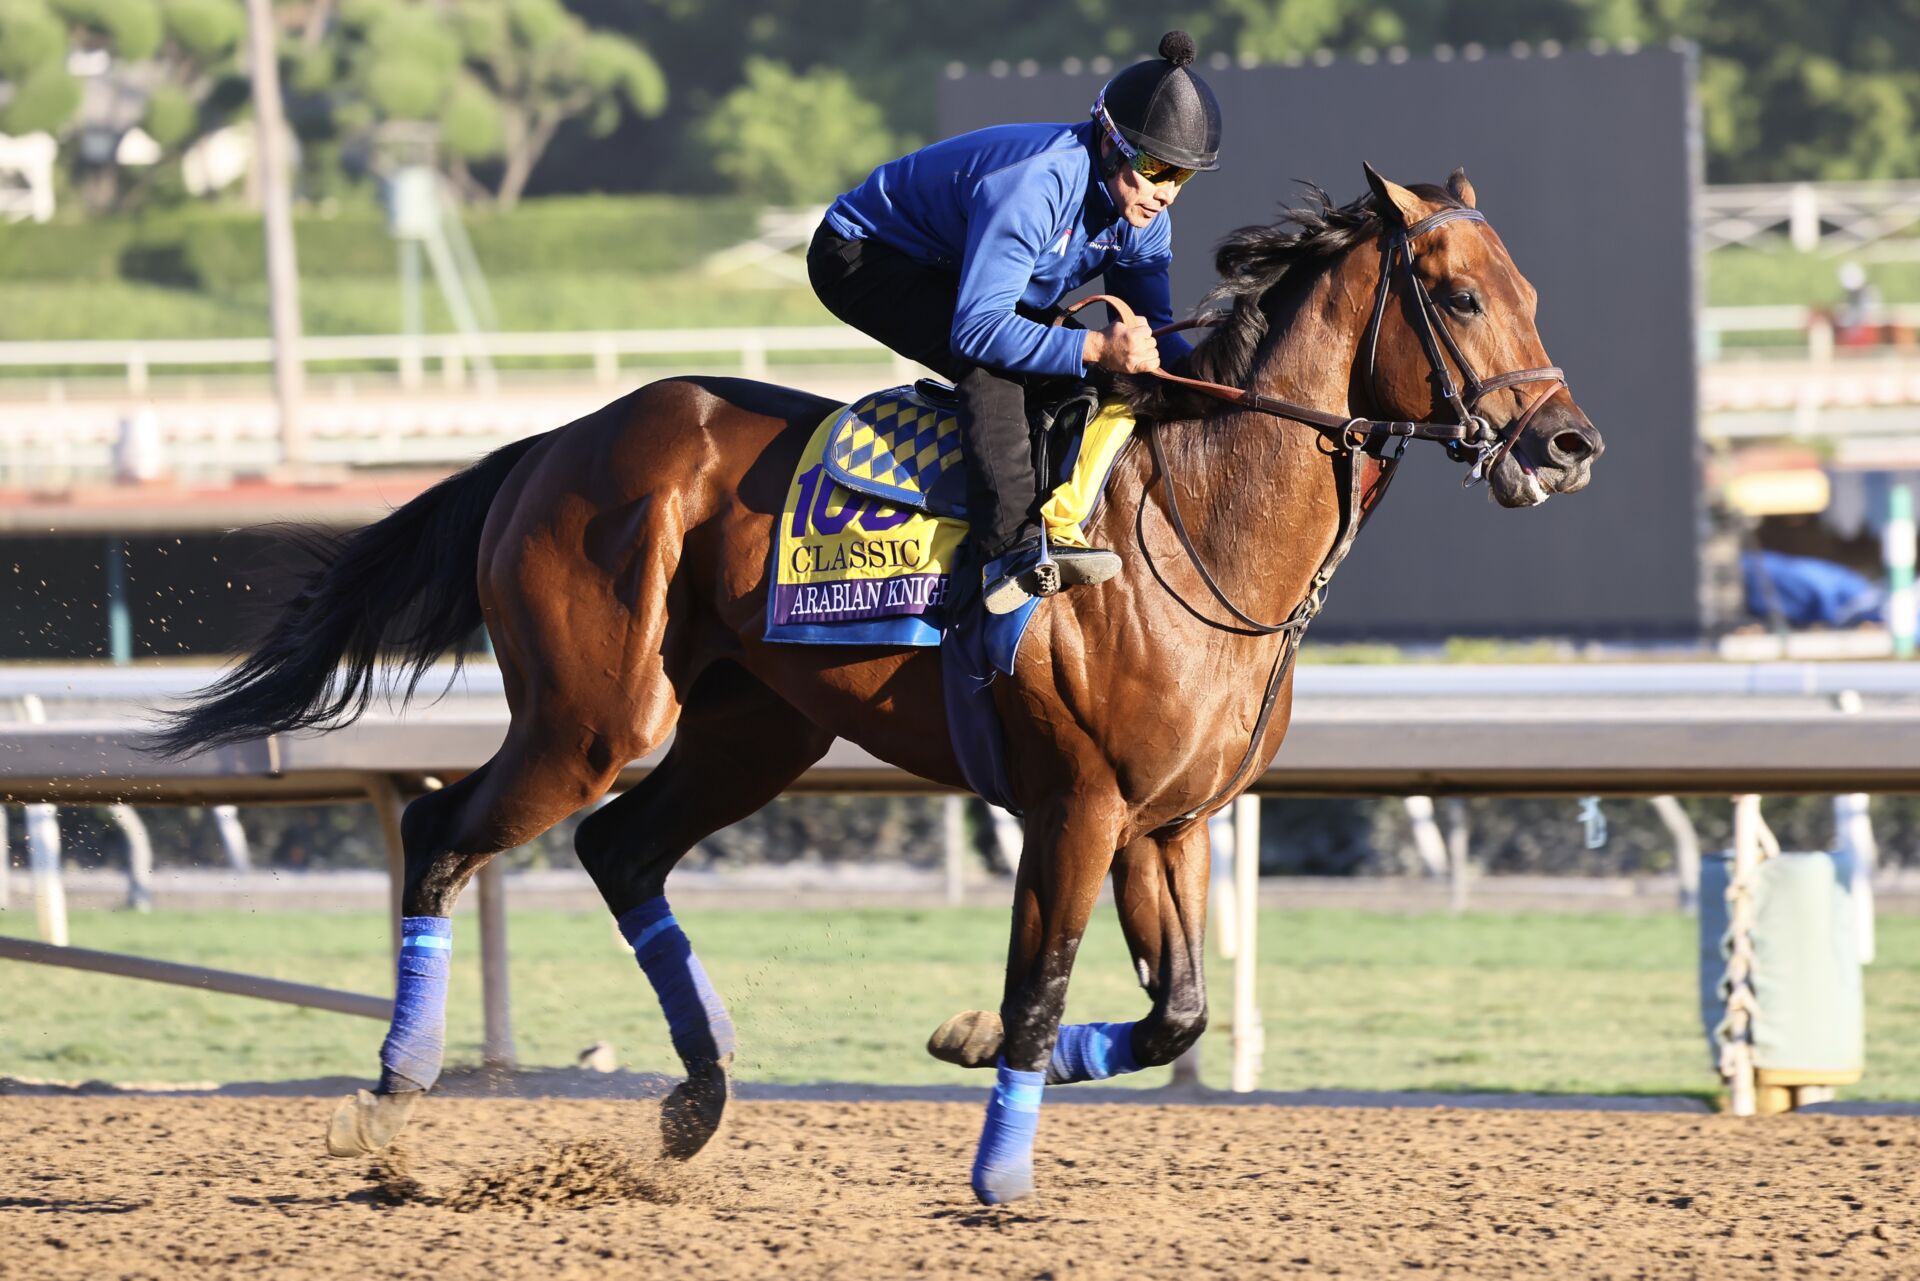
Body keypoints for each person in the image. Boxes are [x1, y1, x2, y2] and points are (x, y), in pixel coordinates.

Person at [808, 31, 1222, 613]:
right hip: (865, 256)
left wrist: (1205, 390)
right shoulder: (1037, 185)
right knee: (994, 364)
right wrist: (1095, 347)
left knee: (1088, 363)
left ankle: (1060, 519)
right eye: (1155, 168)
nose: (1166, 194)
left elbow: (1150, 334)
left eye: (1183, 176)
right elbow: (978, 330)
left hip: (958, 267)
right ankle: (1008, 549)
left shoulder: (1145, 219)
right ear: (1109, 143)